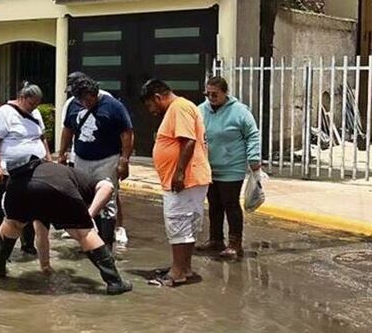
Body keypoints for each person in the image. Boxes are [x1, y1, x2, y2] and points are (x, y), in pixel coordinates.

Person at [0, 159, 132, 295]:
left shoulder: (59, 172)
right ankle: (115, 282)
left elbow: (41, 235)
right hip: (58, 187)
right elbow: (108, 187)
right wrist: (89, 215)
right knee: (84, 234)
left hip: (18, 185)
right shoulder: (89, 182)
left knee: (12, 224)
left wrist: (45, 266)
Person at [140, 79, 212, 287]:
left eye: (150, 105)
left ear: (157, 97)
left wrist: (179, 173)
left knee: (178, 223)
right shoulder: (181, 107)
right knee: (185, 225)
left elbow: (188, 141)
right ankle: (183, 267)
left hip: (185, 179)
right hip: (189, 178)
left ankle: (178, 272)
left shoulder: (179, 108)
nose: (151, 111)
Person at [58, 78, 134, 247]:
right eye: (82, 101)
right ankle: (91, 240)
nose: (86, 104)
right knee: (85, 198)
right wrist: (62, 153)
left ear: (95, 94)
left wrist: (124, 160)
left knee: (107, 199)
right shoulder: (72, 106)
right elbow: (68, 130)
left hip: (107, 159)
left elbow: (127, 133)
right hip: (81, 159)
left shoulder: (113, 106)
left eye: (89, 100)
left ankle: (106, 243)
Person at [198, 76, 261, 259]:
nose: (211, 98)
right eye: (208, 94)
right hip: (210, 167)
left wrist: (254, 157)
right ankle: (216, 239)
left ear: (225, 93)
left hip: (232, 167)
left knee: (230, 203)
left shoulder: (240, 112)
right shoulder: (201, 110)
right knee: (214, 204)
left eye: (215, 94)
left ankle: (235, 243)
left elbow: (252, 135)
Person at [0, 84, 51, 255]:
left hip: (31, 171)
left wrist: (49, 159)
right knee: (0, 209)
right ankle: (2, 248)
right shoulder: (2, 114)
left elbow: (42, 137)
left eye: (36, 104)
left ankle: (28, 245)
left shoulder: (35, 113)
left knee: (29, 207)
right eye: (31, 104)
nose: (33, 108)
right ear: (21, 98)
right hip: (6, 171)